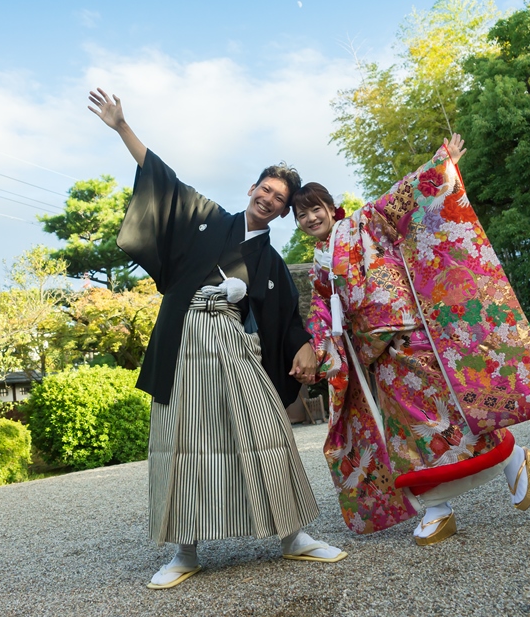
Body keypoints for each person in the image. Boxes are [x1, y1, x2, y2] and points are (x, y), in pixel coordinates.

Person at [88, 89, 346, 590]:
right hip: (186, 335)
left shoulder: (270, 261)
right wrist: (122, 127)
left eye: (279, 199)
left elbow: (288, 319)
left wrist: (304, 345)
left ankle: (292, 536)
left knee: (267, 430)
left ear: (282, 210)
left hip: (232, 341)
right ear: (252, 188)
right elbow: (162, 179)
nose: (268, 200)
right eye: (265, 190)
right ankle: (185, 552)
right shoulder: (205, 217)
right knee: (184, 439)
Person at [292, 134, 530, 545]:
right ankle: (439, 506)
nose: (310, 218)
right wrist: (317, 347)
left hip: (403, 334)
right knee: (403, 428)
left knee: (442, 409)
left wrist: (441, 165)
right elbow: (322, 311)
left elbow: (401, 197)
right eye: (302, 214)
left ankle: (512, 459)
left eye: (315, 208)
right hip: (370, 352)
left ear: (331, 208)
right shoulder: (320, 260)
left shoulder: (362, 222)